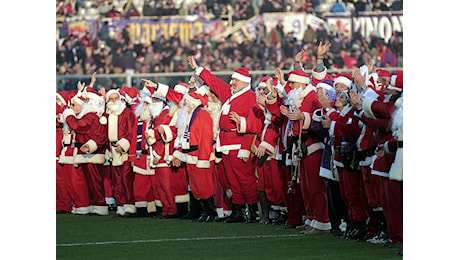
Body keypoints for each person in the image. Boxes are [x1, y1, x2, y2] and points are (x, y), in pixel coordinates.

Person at [187, 56, 259, 223]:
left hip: (238, 142)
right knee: (232, 180)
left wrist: (246, 147)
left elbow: (255, 123)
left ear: (243, 82)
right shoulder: (229, 94)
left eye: (235, 80)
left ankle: (253, 211)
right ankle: (238, 210)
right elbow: (213, 81)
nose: (232, 82)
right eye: (232, 79)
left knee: (245, 179)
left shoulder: (250, 97)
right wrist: (197, 68)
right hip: (226, 142)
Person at [265, 68, 331, 235]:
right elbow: (282, 115)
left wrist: (303, 117)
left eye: (293, 82)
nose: (291, 85)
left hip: (311, 144)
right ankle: (311, 218)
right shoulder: (298, 96)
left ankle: (321, 220)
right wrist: (282, 109)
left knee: (315, 185)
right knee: (306, 186)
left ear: (301, 83)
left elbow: (317, 118)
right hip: (299, 145)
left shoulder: (312, 96)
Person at [62, 82, 109, 216]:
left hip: (91, 152)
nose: (85, 102)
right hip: (87, 152)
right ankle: (96, 205)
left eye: (87, 100)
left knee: (94, 181)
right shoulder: (92, 115)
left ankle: (99, 205)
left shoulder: (91, 116)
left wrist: (69, 114)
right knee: (91, 181)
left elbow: (77, 125)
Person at [58, 89, 93, 215]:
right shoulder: (75, 117)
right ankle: (77, 205)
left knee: (77, 181)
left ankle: (83, 205)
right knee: (69, 181)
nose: (71, 107)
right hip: (68, 151)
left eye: (74, 105)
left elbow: (77, 127)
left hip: (77, 152)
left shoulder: (84, 117)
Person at [105, 88, 137, 217]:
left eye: (115, 98)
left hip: (124, 150)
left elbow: (131, 131)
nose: (113, 101)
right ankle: (121, 205)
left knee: (126, 179)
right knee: (117, 180)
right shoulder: (108, 114)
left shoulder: (127, 113)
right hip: (113, 151)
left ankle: (129, 206)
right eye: (110, 99)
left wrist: (123, 145)